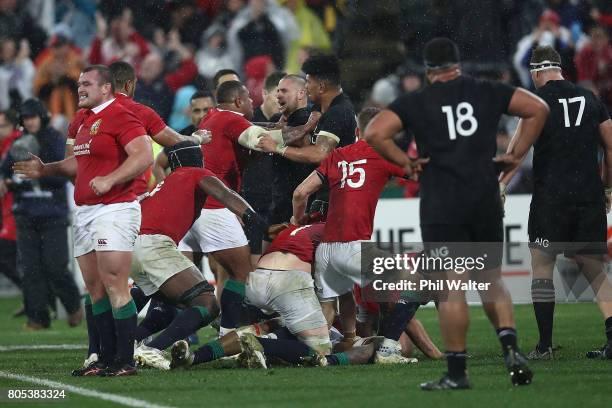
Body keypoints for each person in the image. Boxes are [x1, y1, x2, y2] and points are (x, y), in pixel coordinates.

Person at [365, 37, 550, 390]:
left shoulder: (418, 101)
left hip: (442, 203)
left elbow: (375, 132)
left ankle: (456, 373)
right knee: (492, 281)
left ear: (429, 70)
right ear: (457, 64)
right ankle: (511, 349)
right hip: (484, 198)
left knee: (453, 288)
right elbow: (538, 108)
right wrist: (516, 154)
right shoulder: (486, 90)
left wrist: (407, 162)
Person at [14, 65, 153, 377]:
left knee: (116, 284)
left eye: (87, 84)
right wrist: (45, 169)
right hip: (86, 210)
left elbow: (143, 154)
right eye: (78, 84)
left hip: (115, 208)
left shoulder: (121, 114)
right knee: (95, 288)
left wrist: (111, 179)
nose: (80, 89)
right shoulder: (82, 120)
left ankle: (124, 361)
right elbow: (77, 164)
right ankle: (102, 359)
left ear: (106, 88)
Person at [500, 46, 612, 360]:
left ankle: (545, 346)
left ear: (537, 72)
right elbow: (611, 146)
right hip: (588, 196)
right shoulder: (591, 99)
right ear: (560, 69)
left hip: (551, 198)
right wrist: (607, 188)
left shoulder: (537, 102)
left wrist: (500, 186)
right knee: (595, 270)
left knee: (542, 266)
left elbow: (517, 151)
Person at [291, 106, 423, 364]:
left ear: (356, 131)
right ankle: (387, 349)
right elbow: (418, 173)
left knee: (327, 313)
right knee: (418, 282)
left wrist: (299, 220)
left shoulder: (337, 155)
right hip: (355, 247)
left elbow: (300, 193)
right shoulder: (382, 154)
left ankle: (311, 354)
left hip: (327, 250)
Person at [128, 141, 267, 370]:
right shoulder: (194, 173)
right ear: (197, 160)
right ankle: (152, 348)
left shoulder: (165, 184)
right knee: (207, 303)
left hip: (135, 247)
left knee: (167, 307)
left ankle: (124, 344)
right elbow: (224, 192)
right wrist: (251, 217)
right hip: (155, 244)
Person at [171, 220, 377, 369]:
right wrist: (350, 336)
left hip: (258, 280)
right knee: (319, 351)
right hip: (289, 282)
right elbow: (338, 301)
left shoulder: (298, 230)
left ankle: (195, 357)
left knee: (276, 325)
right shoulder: (336, 237)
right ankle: (261, 345)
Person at [1, 99, 82, 330]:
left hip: (52, 213)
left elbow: (63, 174)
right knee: (30, 268)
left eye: (33, 117)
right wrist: (7, 181)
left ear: (41, 117)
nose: (30, 121)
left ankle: (73, 304)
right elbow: (5, 169)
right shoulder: (19, 142)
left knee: (55, 265)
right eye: (26, 118)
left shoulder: (55, 140)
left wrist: (36, 174)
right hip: (25, 213)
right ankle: (38, 318)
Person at [257, 54, 356, 164]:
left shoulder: (338, 112)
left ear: (321, 87)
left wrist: (277, 148)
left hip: (339, 179)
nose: (305, 87)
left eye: (308, 82)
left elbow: (320, 154)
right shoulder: (321, 107)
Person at [242, 70, 285, 262]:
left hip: (279, 205)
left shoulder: (292, 123)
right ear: (265, 94)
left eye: (285, 96)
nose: (281, 101)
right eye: (277, 95)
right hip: (251, 203)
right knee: (249, 270)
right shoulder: (245, 122)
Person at [0, 109, 22, 312]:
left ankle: (36, 299)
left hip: (16, 209)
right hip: (8, 209)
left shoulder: (17, 144)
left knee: (5, 256)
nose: (0, 130)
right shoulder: (6, 145)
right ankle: (33, 299)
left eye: (2, 126)